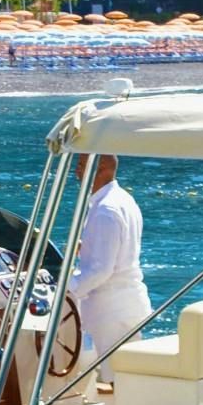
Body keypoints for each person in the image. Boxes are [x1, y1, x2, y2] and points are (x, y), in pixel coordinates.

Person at [70, 153, 150, 360]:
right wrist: (87, 247)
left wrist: (67, 290)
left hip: (110, 311)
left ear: (102, 167)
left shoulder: (105, 210)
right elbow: (121, 248)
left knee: (112, 374)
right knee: (124, 371)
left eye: (81, 165)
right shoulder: (124, 199)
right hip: (127, 305)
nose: (76, 170)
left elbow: (101, 270)